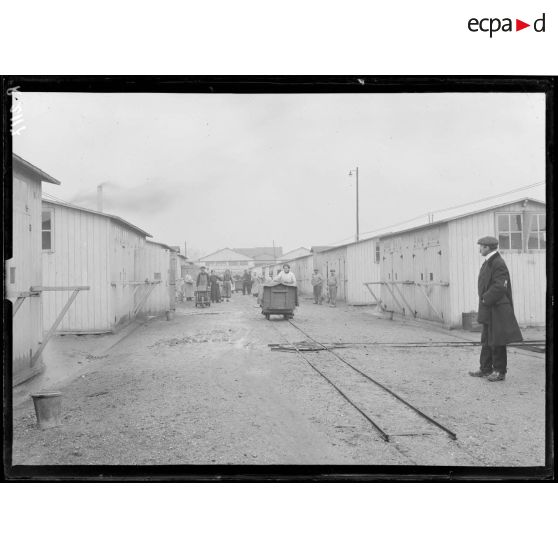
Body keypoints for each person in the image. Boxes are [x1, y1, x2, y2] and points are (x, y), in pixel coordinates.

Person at [469, 236, 523, 382]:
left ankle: (499, 371)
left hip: (497, 307)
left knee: (497, 340)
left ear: (487, 247)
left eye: (481, 246)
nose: (479, 249)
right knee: (486, 339)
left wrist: (486, 298)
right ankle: (485, 369)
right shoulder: (489, 262)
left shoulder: (498, 263)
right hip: (489, 307)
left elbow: (500, 286)